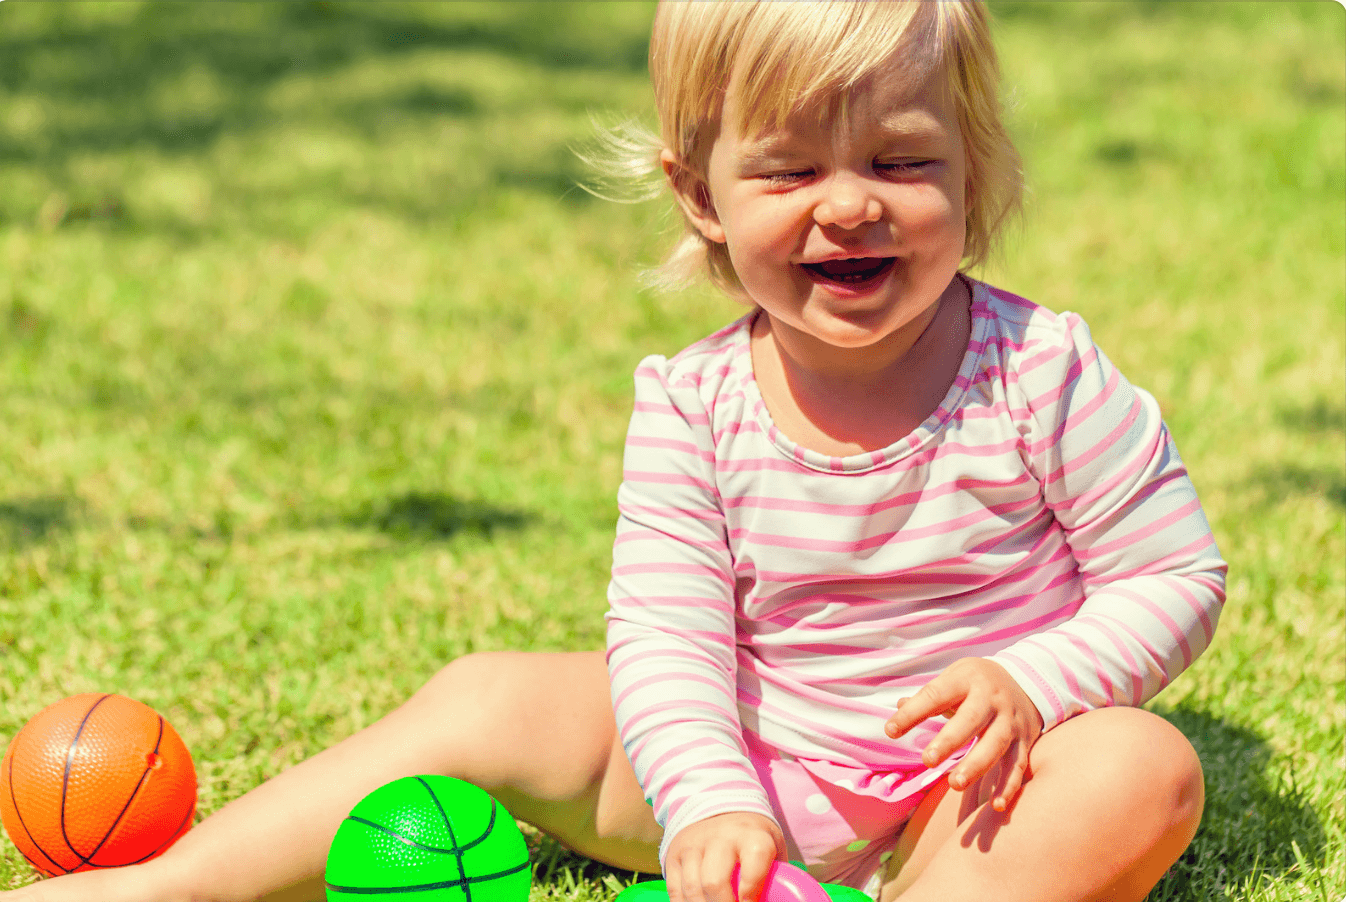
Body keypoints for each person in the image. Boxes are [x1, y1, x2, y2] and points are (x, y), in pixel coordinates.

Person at [2, 3, 1225, 902]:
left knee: (1137, 766)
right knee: (490, 691)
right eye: (791, 167)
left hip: (971, 800)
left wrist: (1039, 683)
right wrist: (712, 802)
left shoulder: (1040, 369)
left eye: (902, 161)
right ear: (700, 194)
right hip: (749, 770)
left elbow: (1173, 576)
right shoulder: (692, 403)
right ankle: (163, 886)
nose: (849, 203)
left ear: (975, 170)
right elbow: (667, 637)